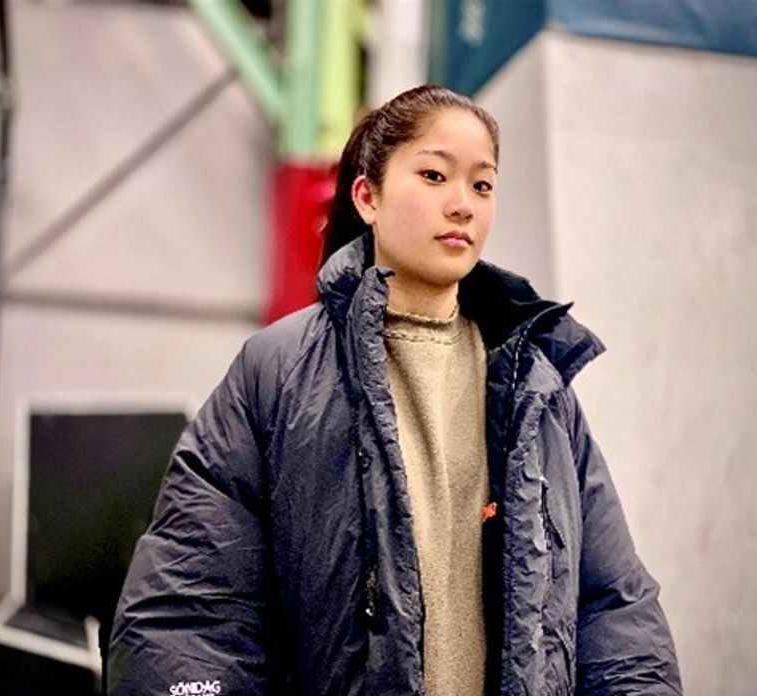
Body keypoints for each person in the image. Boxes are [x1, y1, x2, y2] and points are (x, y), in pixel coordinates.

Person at [108, 85, 682, 695]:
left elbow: (613, 605)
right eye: (434, 176)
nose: (462, 205)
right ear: (368, 197)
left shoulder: (537, 386)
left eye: (482, 185)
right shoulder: (277, 372)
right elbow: (192, 609)